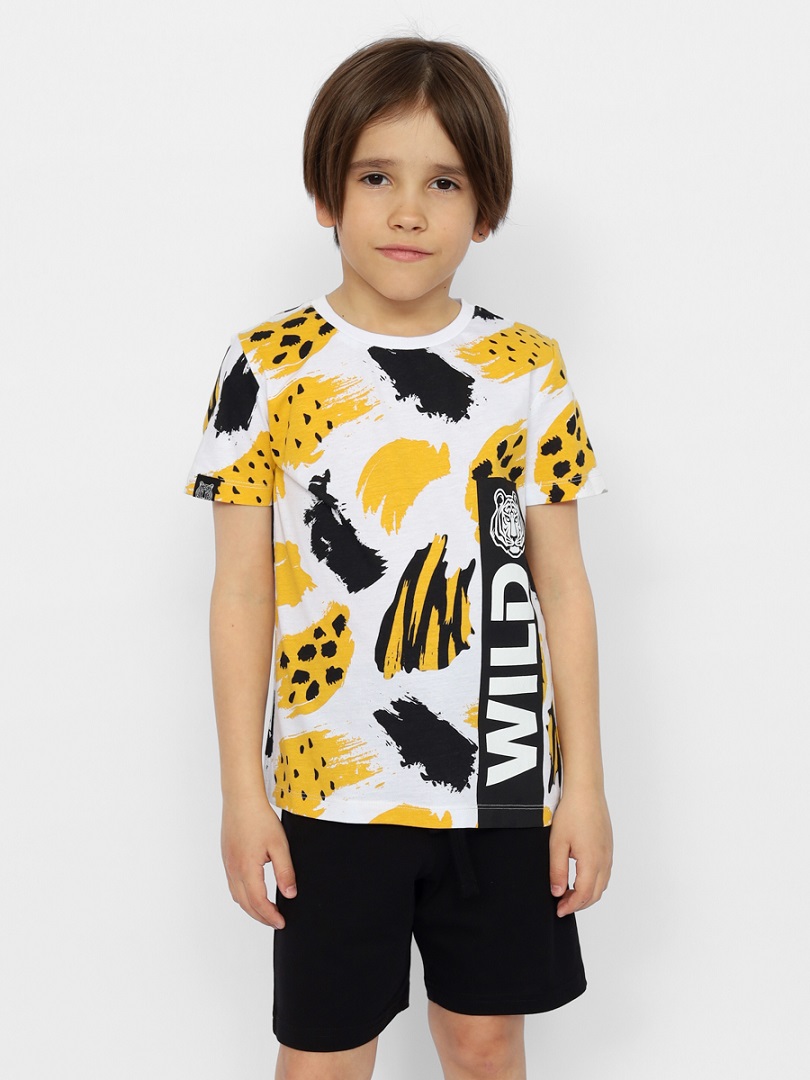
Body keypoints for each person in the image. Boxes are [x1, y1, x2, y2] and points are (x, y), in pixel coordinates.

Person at [185, 34, 613, 1080]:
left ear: (485, 208)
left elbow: (561, 583)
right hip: (329, 787)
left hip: (503, 785)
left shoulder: (524, 369)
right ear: (326, 193)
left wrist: (585, 787)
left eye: (444, 182)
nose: (409, 211)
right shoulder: (268, 366)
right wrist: (242, 792)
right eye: (377, 177)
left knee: (484, 1042)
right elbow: (240, 588)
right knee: (324, 1054)